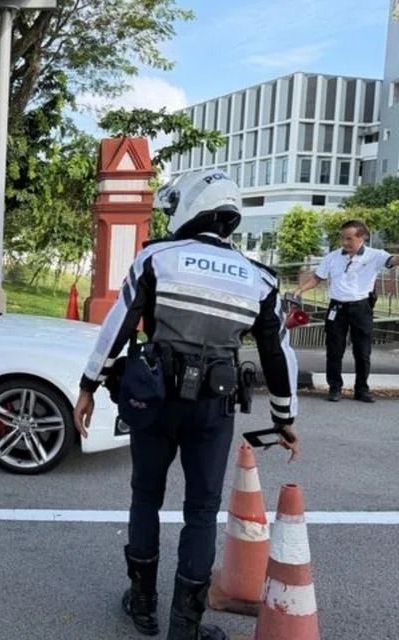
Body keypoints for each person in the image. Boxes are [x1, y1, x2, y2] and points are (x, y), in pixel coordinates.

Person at [73, 169, 300, 640]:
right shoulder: (260, 279)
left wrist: (88, 386)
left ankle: (143, 606)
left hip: (153, 399)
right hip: (213, 409)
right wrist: (284, 418)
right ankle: (185, 627)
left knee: (145, 497)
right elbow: (277, 354)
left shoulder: (157, 257)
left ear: (194, 206)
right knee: (201, 511)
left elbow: (118, 326)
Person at [293, 220, 398, 403]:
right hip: (337, 307)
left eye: (349, 239)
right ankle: (335, 388)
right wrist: (300, 290)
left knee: (362, 351)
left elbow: (393, 261)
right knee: (334, 350)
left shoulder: (375, 255)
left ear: (362, 237)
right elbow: (318, 278)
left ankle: (362, 389)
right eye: (342, 238)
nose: (344, 242)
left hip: (361, 307)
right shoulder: (332, 257)